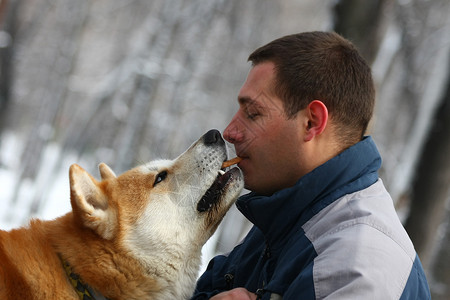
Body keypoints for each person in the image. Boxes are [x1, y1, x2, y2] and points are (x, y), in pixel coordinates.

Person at [191, 31, 431, 299]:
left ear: (312, 122)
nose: (230, 132)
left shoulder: (357, 267)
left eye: (253, 113)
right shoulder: (286, 220)